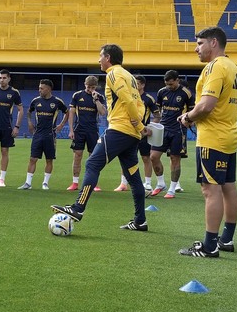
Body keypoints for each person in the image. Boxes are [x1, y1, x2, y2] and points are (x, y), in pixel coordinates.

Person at [52, 45, 149, 232]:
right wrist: (138, 127)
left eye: (100, 56)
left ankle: (78, 208)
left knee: (92, 164)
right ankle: (140, 221)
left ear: (108, 57)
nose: (98, 60)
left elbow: (128, 100)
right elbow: (139, 103)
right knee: (134, 178)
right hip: (130, 135)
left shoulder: (113, 74)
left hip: (120, 130)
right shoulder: (129, 76)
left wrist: (139, 125)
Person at [176, 26, 237, 258]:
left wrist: (187, 117)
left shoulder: (215, 67)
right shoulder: (234, 68)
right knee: (228, 187)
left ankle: (209, 245)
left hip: (213, 138)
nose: (196, 49)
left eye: (200, 43)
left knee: (210, 190)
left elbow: (206, 105)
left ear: (213, 42)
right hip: (229, 136)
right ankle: (226, 238)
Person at [150, 70, 194, 198]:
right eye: (167, 84)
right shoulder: (161, 92)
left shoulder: (186, 93)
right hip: (163, 129)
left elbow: (192, 111)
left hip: (178, 130)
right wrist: (154, 125)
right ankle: (160, 183)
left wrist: (189, 122)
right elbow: (158, 112)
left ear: (177, 80)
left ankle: (172, 189)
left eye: (171, 84)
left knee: (175, 158)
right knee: (153, 156)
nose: (169, 86)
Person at [20, 79, 67, 190]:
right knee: (33, 158)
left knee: (49, 159)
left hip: (50, 135)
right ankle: (28, 183)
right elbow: (29, 111)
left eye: (42, 88)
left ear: (48, 89)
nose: (39, 90)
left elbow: (67, 112)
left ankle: (45, 183)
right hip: (37, 134)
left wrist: (61, 124)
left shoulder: (57, 101)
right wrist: (30, 123)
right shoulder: (36, 101)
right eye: (39, 88)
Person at [116, 75, 158, 192]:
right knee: (125, 157)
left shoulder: (148, 98)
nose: (134, 86)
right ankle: (123, 183)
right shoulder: (128, 96)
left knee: (146, 157)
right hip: (128, 132)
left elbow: (157, 115)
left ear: (143, 85)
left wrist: (147, 127)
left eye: (137, 83)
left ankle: (147, 183)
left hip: (143, 134)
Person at [66, 75, 106, 192]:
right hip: (79, 129)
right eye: (88, 87)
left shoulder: (99, 97)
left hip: (92, 130)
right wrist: (71, 130)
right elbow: (71, 113)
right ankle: (75, 182)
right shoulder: (77, 95)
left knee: (93, 157)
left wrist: (96, 100)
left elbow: (102, 112)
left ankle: (94, 183)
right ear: (85, 84)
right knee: (77, 155)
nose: (90, 89)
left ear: (96, 86)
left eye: (92, 87)